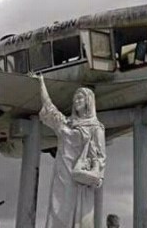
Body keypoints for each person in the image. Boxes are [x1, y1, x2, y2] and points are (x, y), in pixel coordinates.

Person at [37, 74, 106, 228]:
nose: (76, 101)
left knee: (79, 219)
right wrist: (41, 82)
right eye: (75, 98)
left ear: (88, 101)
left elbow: (101, 158)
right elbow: (49, 108)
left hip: (80, 181)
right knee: (57, 214)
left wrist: (97, 176)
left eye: (80, 98)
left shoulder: (96, 128)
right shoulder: (66, 123)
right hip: (62, 178)